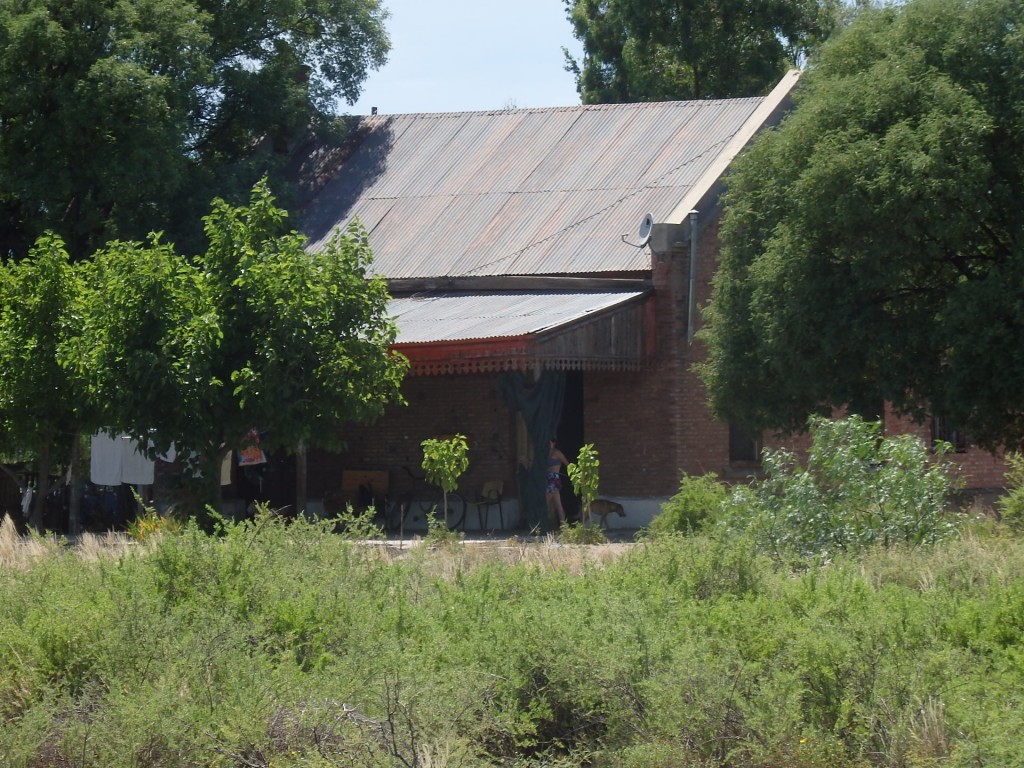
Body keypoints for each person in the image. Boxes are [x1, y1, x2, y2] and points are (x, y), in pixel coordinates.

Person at [546, 437, 569, 526]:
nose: (548, 444)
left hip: (554, 479)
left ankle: (541, 524)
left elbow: (567, 463)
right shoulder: (546, 453)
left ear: (554, 443)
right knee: (558, 504)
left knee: (545, 502)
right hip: (547, 478)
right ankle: (564, 527)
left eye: (550, 442)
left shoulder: (557, 453)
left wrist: (573, 474)